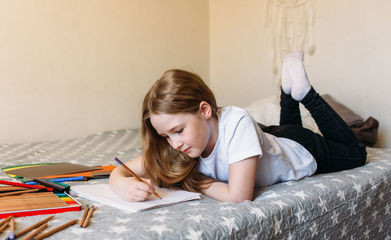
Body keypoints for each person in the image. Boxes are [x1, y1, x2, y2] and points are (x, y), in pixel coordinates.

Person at [109, 51, 367, 203]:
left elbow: (240, 195)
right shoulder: (178, 145)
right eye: (165, 136)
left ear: (204, 110)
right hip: (270, 137)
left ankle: (305, 93)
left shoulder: (237, 122)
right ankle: (287, 91)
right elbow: (118, 170)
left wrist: (194, 181)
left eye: (178, 130)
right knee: (283, 130)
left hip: (301, 149)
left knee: (356, 153)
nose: (174, 144)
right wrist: (124, 186)